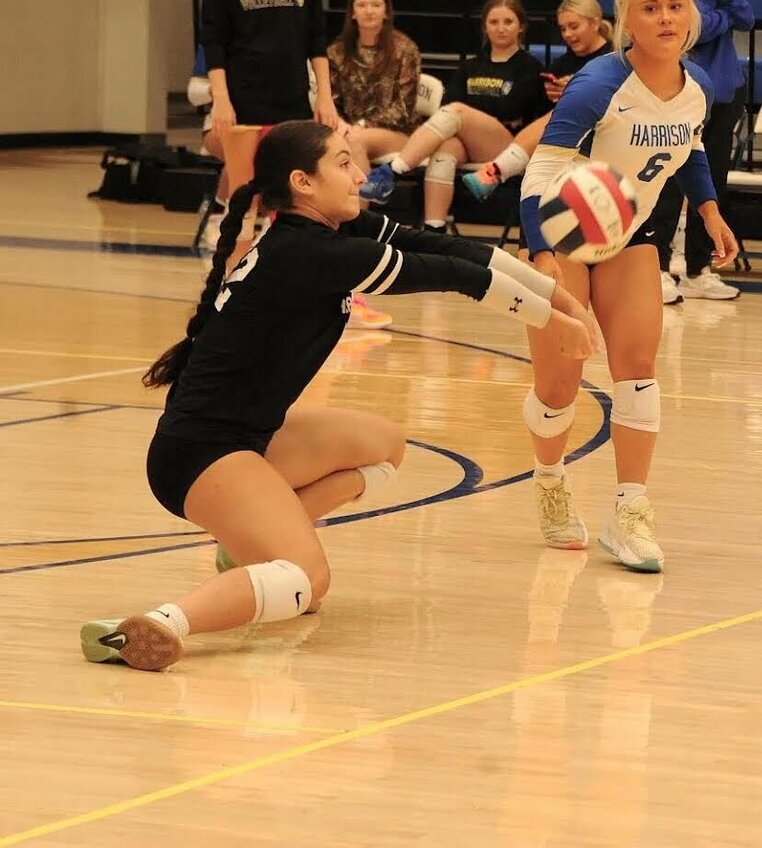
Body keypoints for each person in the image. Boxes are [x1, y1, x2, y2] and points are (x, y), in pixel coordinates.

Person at [80, 121, 593, 672]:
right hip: (201, 455)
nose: (361, 174)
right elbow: (450, 275)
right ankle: (154, 625)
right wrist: (552, 322)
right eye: (344, 164)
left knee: (383, 446)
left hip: (246, 439)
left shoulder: (325, 233)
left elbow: (451, 248)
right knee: (310, 581)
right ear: (303, 182)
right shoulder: (308, 254)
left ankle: (250, 550)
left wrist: (558, 296)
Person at [518, 0, 740, 573]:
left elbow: (689, 148)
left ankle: (630, 512)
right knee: (560, 385)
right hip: (565, 236)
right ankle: (550, 479)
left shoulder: (696, 86)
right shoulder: (598, 85)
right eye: (651, 8)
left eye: (676, 5)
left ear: (691, 15)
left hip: (631, 234)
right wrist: (543, 257)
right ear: (627, 23)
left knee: (638, 369)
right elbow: (541, 171)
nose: (666, 17)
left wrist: (709, 210)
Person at [199, 0, 335, 258]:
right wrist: (221, 101)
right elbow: (213, 42)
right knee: (245, 197)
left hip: (290, 102)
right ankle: (230, 280)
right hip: (243, 102)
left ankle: (279, 276)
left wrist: (325, 95)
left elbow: (316, 39)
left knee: (287, 199)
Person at [643, 0, 755, 305]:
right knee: (671, 182)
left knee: (713, 186)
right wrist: (718, 14)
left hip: (724, 92)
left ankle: (697, 269)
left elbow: (746, 18)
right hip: (680, 94)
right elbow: (697, 27)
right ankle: (655, 271)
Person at [359, 0, 546, 230]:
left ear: (521, 27)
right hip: (469, 143)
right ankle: (434, 229)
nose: (500, 28)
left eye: (508, 22)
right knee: (444, 150)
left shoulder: (529, 67)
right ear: (485, 27)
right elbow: (447, 104)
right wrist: (473, 118)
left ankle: (392, 171)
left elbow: (512, 108)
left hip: (508, 146)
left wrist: (469, 115)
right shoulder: (470, 66)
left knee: (457, 113)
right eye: (494, 22)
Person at [326, 0, 423, 330]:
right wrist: (341, 124)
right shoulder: (336, 53)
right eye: (362, 5)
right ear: (352, 12)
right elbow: (329, 102)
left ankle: (355, 226)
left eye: (376, 5)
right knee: (341, 143)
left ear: (386, 12)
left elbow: (403, 107)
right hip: (347, 132)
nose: (369, 11)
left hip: (395, 133)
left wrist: (357, 127)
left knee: (355, 143)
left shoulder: (403, 49)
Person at [462, 0, 616, 201]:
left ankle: (497, 171)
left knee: (566, 109)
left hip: (606, 135)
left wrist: (574, 94)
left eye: (573, 26)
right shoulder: (561, 64)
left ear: (595, 23)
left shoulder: (614, 58)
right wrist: (553, 96)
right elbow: (541, 113)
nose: (568, 34)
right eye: (563, 29)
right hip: (564, 140)